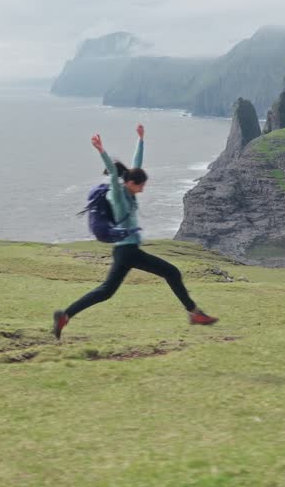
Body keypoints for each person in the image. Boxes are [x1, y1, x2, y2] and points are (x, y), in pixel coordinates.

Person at [52, 123, 218, 339]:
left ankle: (65, 316)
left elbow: (136, 166)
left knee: (106, 291)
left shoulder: (130, 190)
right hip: (128, 251)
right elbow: (113, 173)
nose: (143, 189)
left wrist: (141, 140)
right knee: (172, 272)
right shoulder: (119, 197)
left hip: (126, 251)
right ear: (130, 183)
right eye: (141, 185)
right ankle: (194, 314)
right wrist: (101, 150)